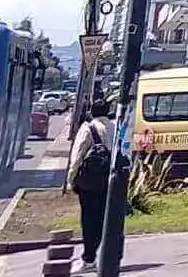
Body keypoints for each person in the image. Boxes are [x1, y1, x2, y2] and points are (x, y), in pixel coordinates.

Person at [68, 98, 113, 273]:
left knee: (88, 219)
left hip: (89, 183)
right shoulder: (114, 127)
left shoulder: (88, 128)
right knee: (102, 219)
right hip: (107, 180)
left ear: (91, 112)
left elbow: (77, 155)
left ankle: (88, 259)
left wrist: (71, 179)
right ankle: (96, 255)